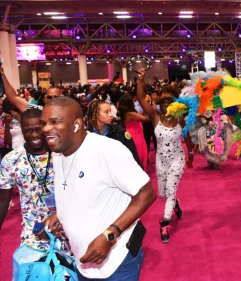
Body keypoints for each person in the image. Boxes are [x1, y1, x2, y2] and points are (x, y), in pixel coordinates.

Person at [40, 96, 156, 280]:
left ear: (77, 125)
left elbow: (147, 193)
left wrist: (110, 235)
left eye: (55, 122)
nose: (46, 128)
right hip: (82, 260)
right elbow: (79, 190)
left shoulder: (107, 150)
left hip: (117, 262)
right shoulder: (59, 153)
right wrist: (60, 214)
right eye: (44, 123)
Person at [0, 108, 71, 254]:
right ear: (21, 130)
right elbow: (3, 201)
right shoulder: (11, 159)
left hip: (68, 232)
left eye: (38, 129)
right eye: (28, 130)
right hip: (33, 234)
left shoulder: (63, 154)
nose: (34, 135)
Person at [136, 69, 194, 243]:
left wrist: (190, 153)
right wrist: (140, 79)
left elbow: (188, 136)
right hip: (161, 161)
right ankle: (175, 204)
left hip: (177, 159)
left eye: (169, 101)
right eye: (162, 101)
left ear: (175, 103)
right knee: (163, 193)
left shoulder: (180, 119)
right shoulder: (154, 116)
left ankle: (165, 223)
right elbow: (140, 97)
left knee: (169, 191)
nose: (165, 104)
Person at [86, 99, 143, 169]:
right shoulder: (87, 136)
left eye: (110, 111)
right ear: (95, 114)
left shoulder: (119, 132)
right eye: (106, 112)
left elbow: (133, 157)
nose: (110, 115)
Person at [117, 95, 149, 170]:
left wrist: (145, 109)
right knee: (139, 161)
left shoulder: (127, 114)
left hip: (134, 137)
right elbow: (146, 119)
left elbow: (138, 116)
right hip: (137, 139)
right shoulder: (130, 114)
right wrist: (152, 110)